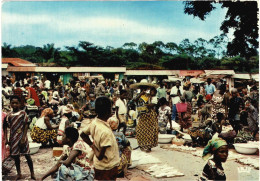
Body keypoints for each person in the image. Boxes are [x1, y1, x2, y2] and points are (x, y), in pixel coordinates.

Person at [80, 96, 120, 181]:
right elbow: (99, 156)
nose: (112, 111)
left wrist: (91, 144)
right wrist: (93, 147)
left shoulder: (94, 122)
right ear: (107, 112)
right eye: (110, 109)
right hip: (108, 167)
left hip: (99, 166)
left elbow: (83, 134)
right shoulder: (105, 132)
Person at [4, 96, 36, 180]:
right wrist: (7, 139)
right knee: (16, 157)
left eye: (16, 103)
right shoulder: (9, 115)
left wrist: (23, 137)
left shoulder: (23, 113)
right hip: (13, 138)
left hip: (22, 137)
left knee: (27, 155)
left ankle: (32, 173)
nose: (14, 104)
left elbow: (26, 125)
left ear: (19, 104)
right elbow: (5, 127)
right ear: (10, 104)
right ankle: (19, 173)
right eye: (12, 103)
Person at [132, 80, 159, 153]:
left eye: (145, 88)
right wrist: (141, 93)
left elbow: (152, 104)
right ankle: (142, 145)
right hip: (141, 115)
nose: (144, 89)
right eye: (142, 87)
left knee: (149, 131)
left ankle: (149, 146)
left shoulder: (149, 95)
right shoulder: (138, 94)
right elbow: (135, 100)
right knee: (140, 130)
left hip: (148, 115)